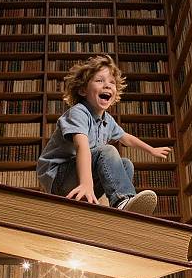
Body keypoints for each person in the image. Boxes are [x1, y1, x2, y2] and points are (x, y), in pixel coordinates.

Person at [36, 54, 171, 215]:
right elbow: (81, 147)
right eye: (100, 80)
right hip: (58, 178)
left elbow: (126, 138)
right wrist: (86, 184)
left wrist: (151, 150)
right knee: (107, 151)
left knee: (126, 164)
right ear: (83, 89)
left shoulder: (107, 120)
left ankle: (121, 206)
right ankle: (121, 201)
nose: (107, 85)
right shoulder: (79, 112)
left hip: (78, 176)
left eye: (112, 82)